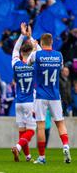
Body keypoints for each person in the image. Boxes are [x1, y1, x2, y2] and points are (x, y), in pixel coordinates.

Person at [27, 32, 71, 164]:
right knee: (60, 123)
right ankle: (65, 146)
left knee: (40, 126)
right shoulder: (59, 56)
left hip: (41, 96)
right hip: (55, 95)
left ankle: (41, 157)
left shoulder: (37, 54)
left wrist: (35, 48)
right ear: (51, 42)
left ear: (41, 43)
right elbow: (61, 68)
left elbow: (29, 63)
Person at [10, 23, 37, 162]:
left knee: (22, 130)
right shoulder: (34, 65)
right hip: (30, 102)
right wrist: (30, 36)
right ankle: (18, 147)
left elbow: (14, 50)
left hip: (18, 102)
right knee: (31, 130)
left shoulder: (16, 64)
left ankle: (27, 156)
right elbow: (39, 51)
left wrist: (22, 35)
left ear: (21, 53)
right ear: (31, 53)